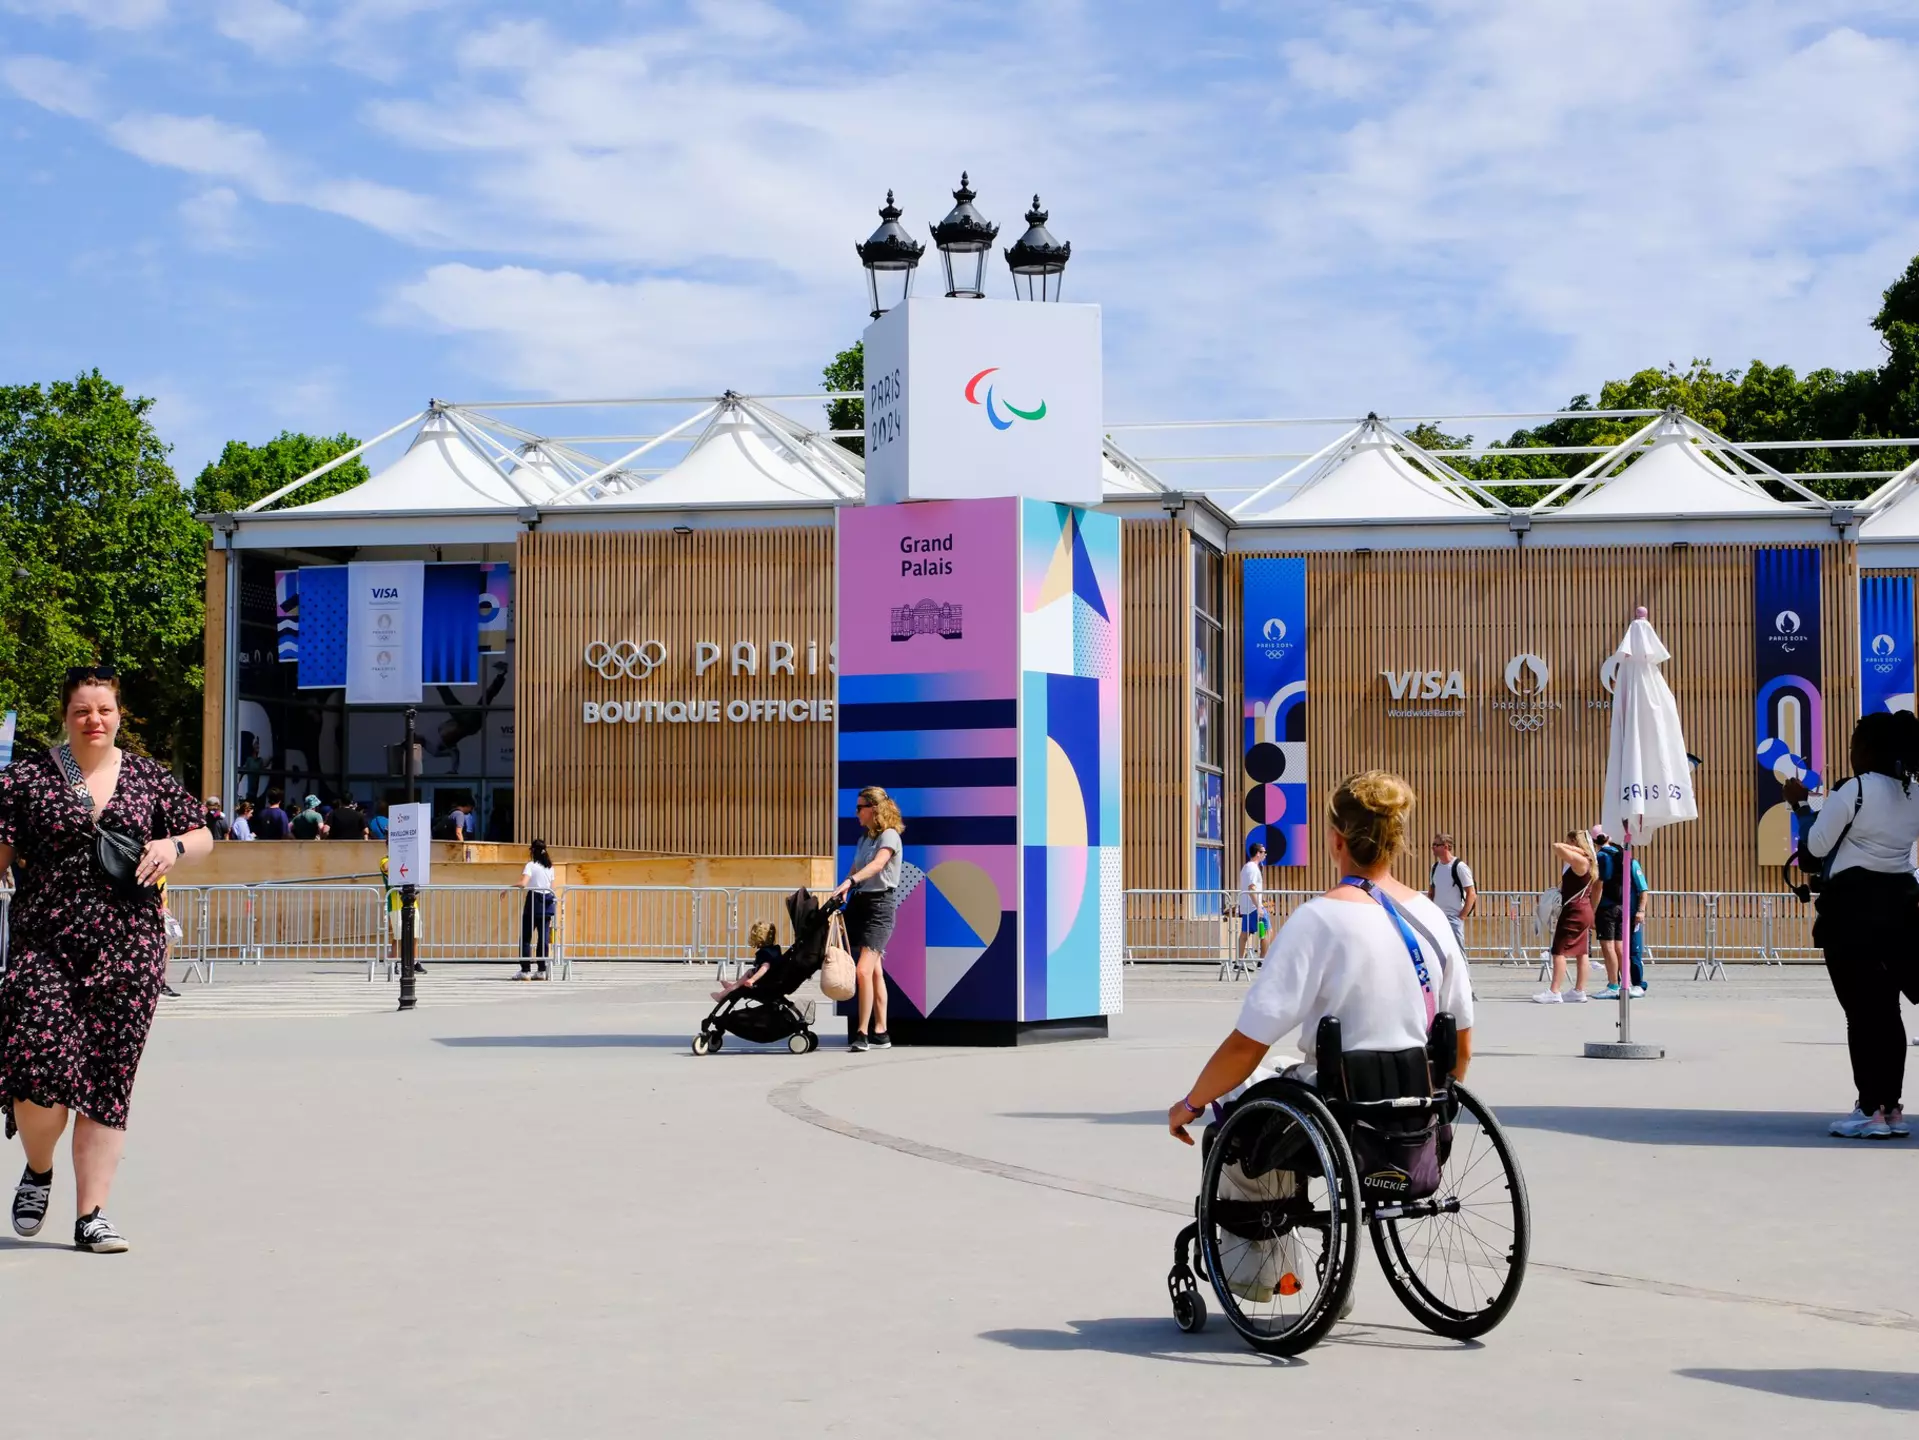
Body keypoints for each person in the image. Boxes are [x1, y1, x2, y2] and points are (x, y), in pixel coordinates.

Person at [0, 665, 213, 1252]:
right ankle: (38, 1167)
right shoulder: (25, 779)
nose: (94, 720)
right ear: (65, 716)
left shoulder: (148, 776)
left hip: (129, 947)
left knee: (107, 1077)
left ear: (119, 715)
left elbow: (202, 834)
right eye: (82, 711)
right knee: (37, 1070)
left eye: (104, 710)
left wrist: (172, 845)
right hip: (44, 945)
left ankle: (91, 1214)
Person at [1167, 769, 1475, 1140]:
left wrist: (1190, 1104)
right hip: (1417, 1104)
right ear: (1395, 841)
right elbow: (1462, 1046)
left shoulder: (1317, 919)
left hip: (1338, 1110)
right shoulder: (1432, 917)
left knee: (1239, 1088)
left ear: (1336, 839)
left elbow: (1246, 1045)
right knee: (1280, 1066)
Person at [1784, 710, 1919, 1140]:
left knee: (1861, 1014)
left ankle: (1869, 1109)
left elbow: (1813, 851)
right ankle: (1891, 1108)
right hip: (1900, 912)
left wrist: (1800, 806)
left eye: (1853, 745)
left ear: (1866, 749)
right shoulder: (1913, 792)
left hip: (1852, 915)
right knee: (1889, 1012)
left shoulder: (1854, 790)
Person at [832, 785, 903, 1052]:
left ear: (874, 809)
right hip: (859, 904)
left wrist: (851, 881)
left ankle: (861, 1033)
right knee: (874, 971)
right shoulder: (864, 839)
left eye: (860, 807)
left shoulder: (889, 835)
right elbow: (856, 868)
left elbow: (877, 865)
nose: (856, 812)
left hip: (880, 907)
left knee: (862, 970)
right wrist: (844, 887)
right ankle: (881, 1032)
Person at [1534, 829, 1600, 1004]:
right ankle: (1579, 990)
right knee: (1582, 952)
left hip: (1574, 910)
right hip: (1584, 908)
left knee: (1559, 950)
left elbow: (1556, 846)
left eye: (1569, 841)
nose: (1566, 844)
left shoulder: (1581, 860)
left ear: (1575, 842)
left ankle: (1554, 991)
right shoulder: (1590, 861)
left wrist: (1578, 850)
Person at [1593, 833, 1649, 998]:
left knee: (1616, 948)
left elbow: (1643, 889)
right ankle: (1626, 983)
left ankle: (1618, 984)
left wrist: (1640, 910)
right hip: (1623, 909)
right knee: (1621, 947)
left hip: (1615, 910)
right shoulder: (1623, 861)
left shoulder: (1607, 858)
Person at [1426, 832, 1477, 953]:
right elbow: (1431, 892)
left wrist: (1461, 916)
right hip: (1437, 917)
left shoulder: (1459, 867)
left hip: (1453, 917)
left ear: (1445, 846)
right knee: (1439, 953)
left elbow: (1471, 893)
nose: (1432, 847)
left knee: (1458, 953)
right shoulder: (1435, 867)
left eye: (1436, 845)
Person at [516, 839, 557, 980]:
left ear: (532, 850)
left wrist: (508, 888)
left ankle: (525, 970)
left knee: (526, 937)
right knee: (543, 938)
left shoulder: (531, 865)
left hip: (534, 900)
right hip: (547, 901)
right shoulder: (550, 867)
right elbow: (552, 887)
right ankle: (541, 970)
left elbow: (523, 883)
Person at [379, 854, 427, 974]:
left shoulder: (408, 859)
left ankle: (414, 963)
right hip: (396, 904)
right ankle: (394, 963)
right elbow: (387, 867)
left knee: (414, 934)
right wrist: (399, 857)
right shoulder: (385, 860)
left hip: (412, 904)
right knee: (398, 936)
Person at [712, 920, 781, 1001]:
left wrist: (752, 979)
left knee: (746, 976)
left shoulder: (764, 953)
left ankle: (721, 995)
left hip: (764, 982)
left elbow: (765, 967)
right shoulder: (775, 949)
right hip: (772, 978)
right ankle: (733, 987)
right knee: (748, 973)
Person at [1236, 840, 1268, 971]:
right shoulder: (1252, 868)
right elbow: (1251, 888)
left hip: (1248, 906)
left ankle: (1239, 963)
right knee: (1267, 931)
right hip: (1254, 907)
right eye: (1264, 852)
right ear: (1258, 853)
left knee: (1245, 934)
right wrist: (1259, 906)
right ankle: (1262, 961)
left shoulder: (1247, 867)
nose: (1265, 854)